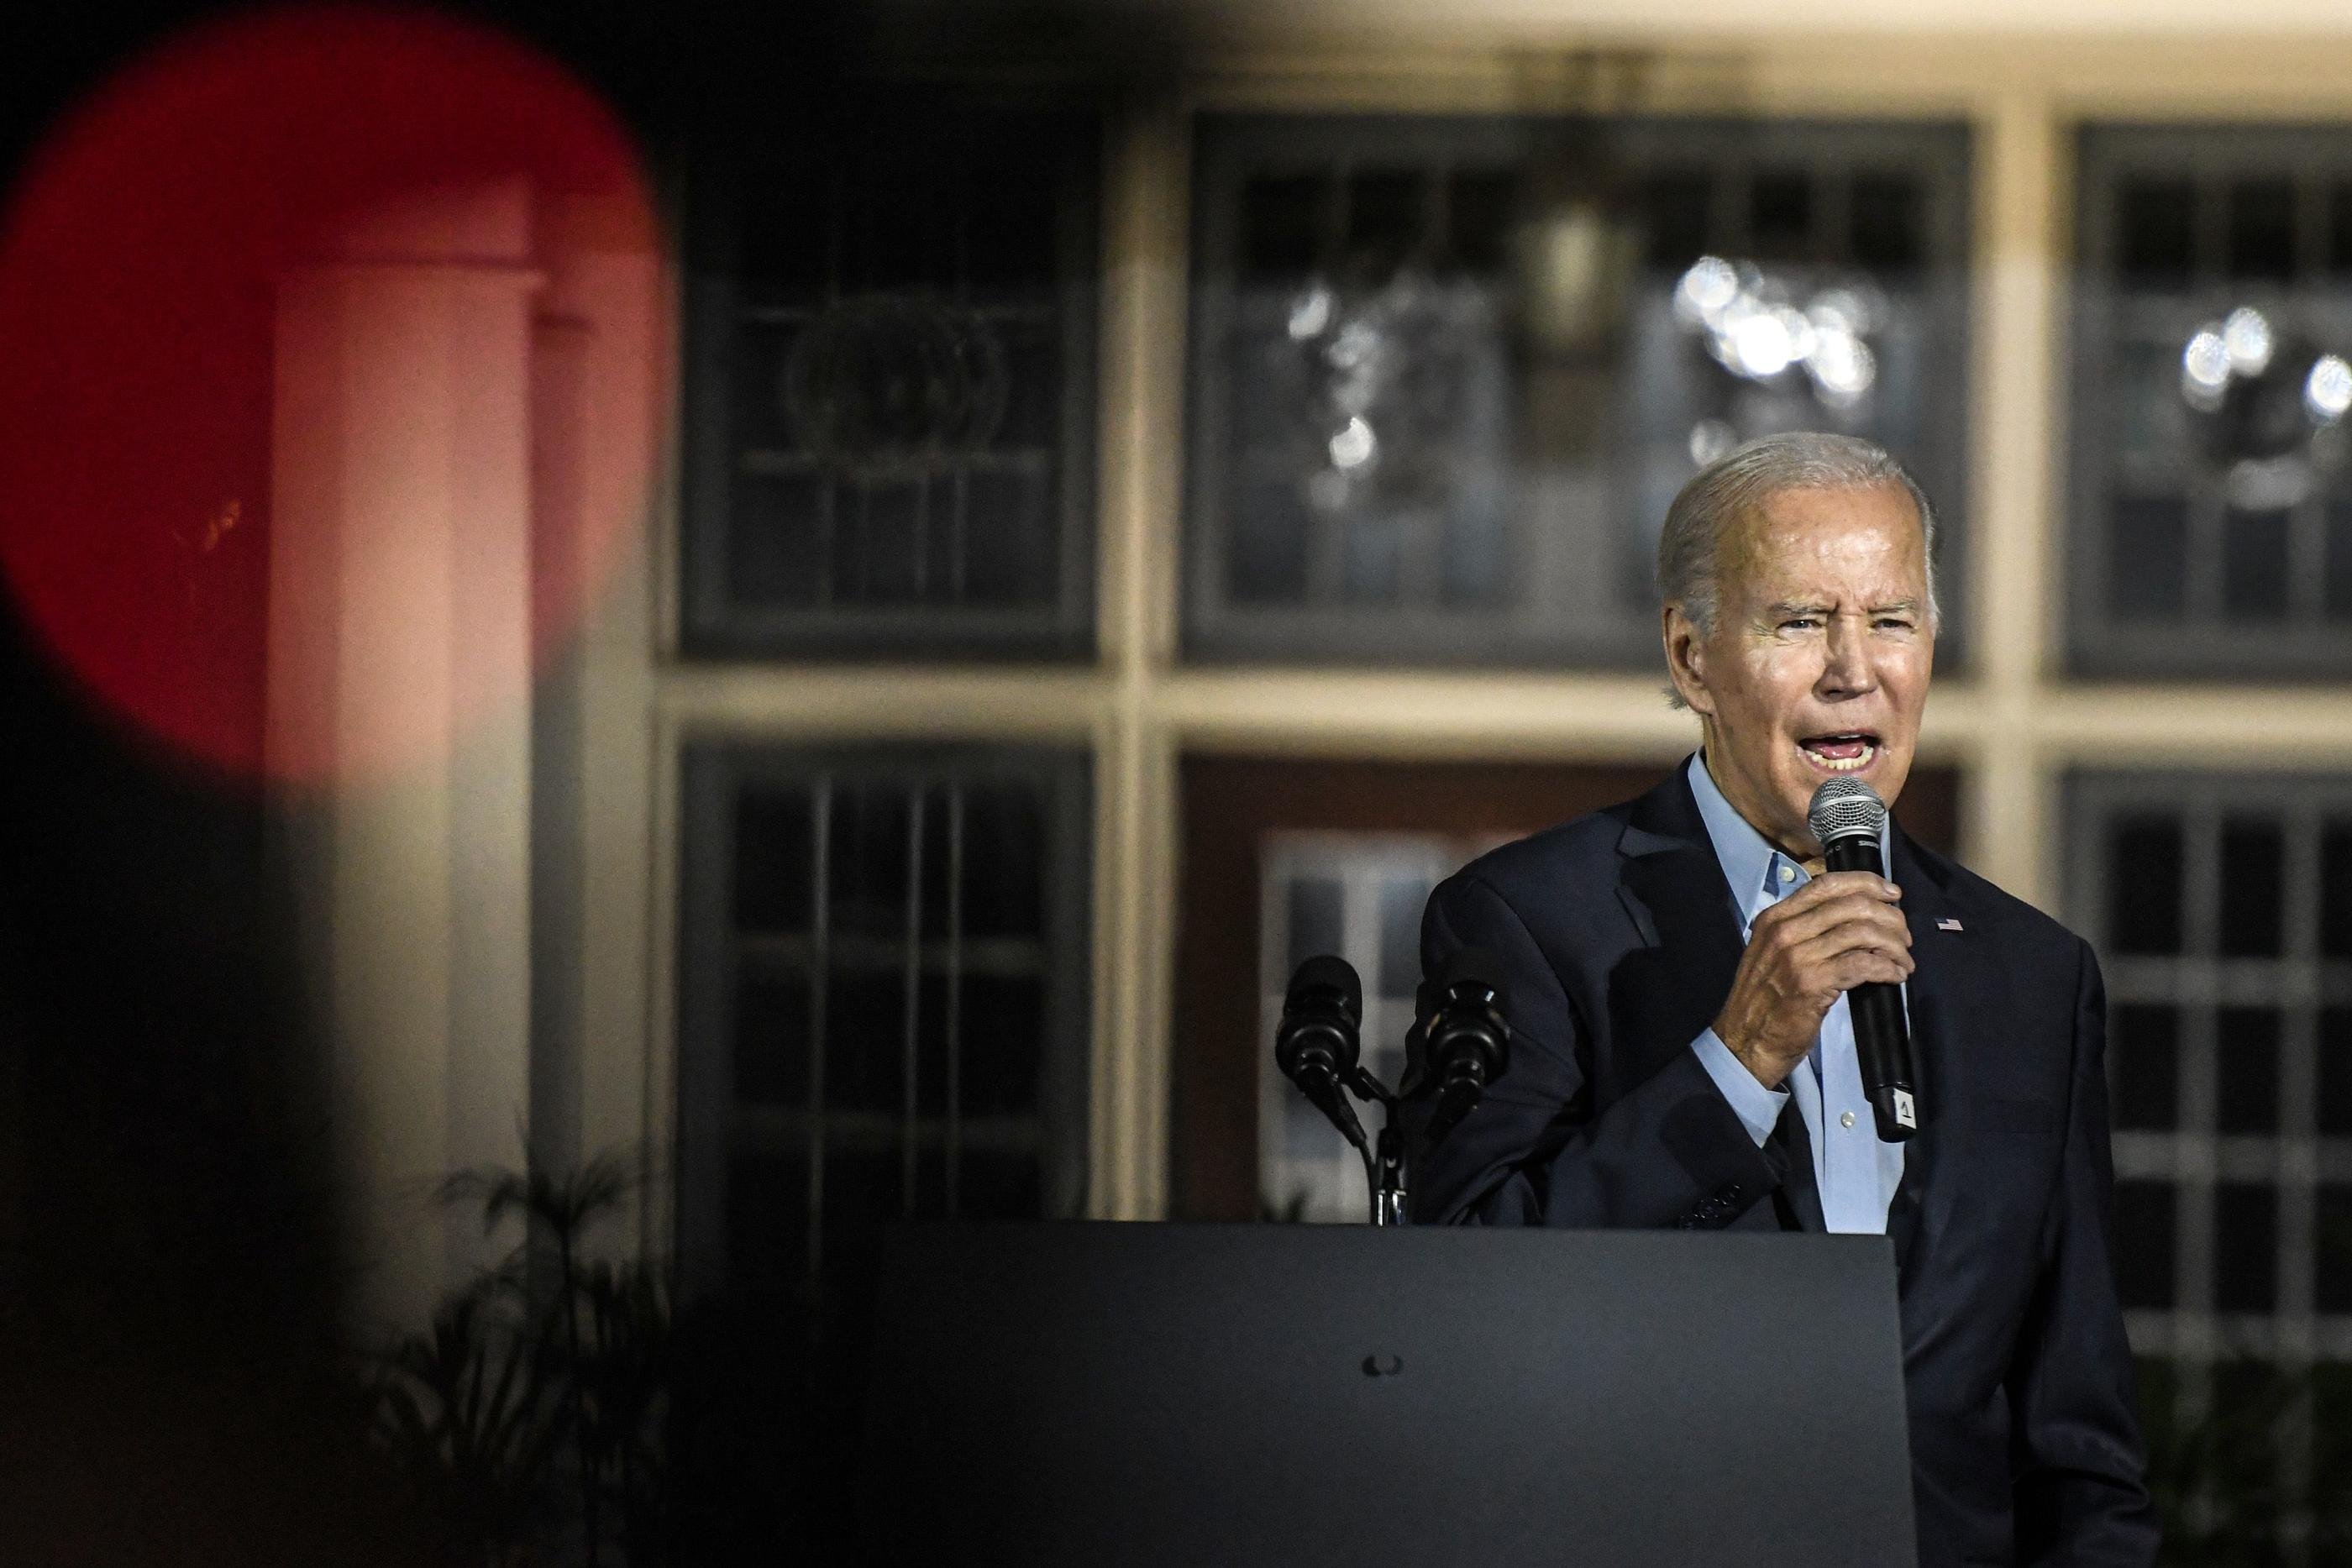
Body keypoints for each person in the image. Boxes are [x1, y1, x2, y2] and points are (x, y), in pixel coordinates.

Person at [1410, 432, 2157, 1565]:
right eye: (1802, 621)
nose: (1855, 669)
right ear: (1693, 655)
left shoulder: (2034, 976)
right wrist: (1735, 1063)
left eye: (1892, 619)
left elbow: (2081, 1441)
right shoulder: (1527, 922)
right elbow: (1466, 1312)